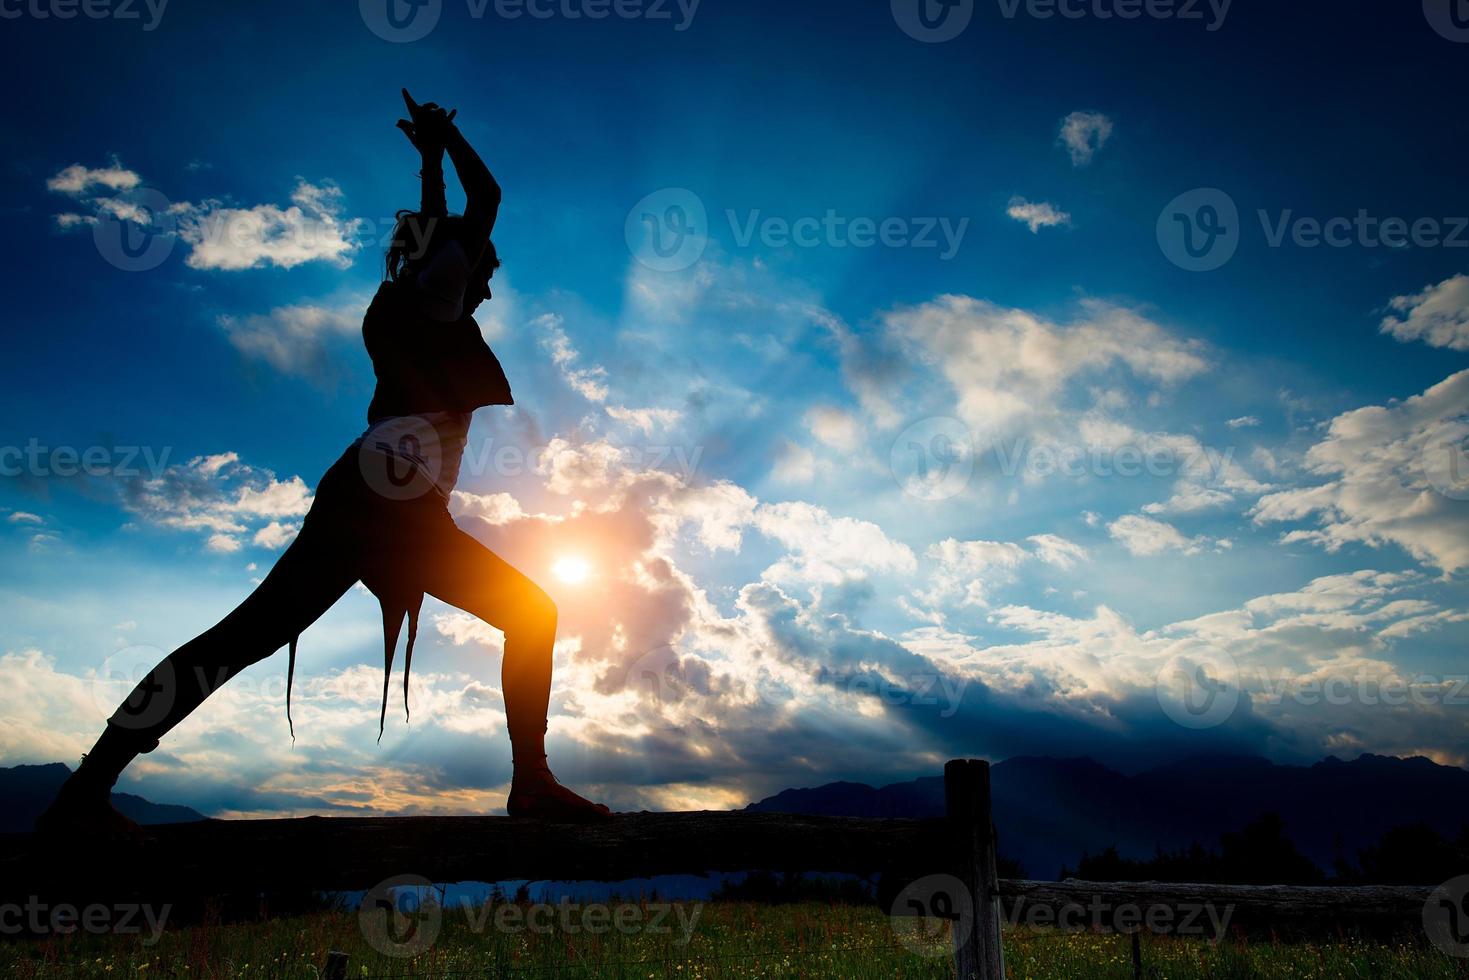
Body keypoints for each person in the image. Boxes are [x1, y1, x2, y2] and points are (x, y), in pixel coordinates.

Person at [38, 90, 611, 835]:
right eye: (484, 265)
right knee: (531, 611)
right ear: (452, 264)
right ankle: (531, 784)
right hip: (391, 504)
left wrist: (430, 163)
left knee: (236, 642)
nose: (490, 280)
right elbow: (487, 198)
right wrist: (444, 144)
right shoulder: (435, 299)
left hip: (373, 497)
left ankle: (85, 788)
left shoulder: (404, 303)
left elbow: (439, 222)